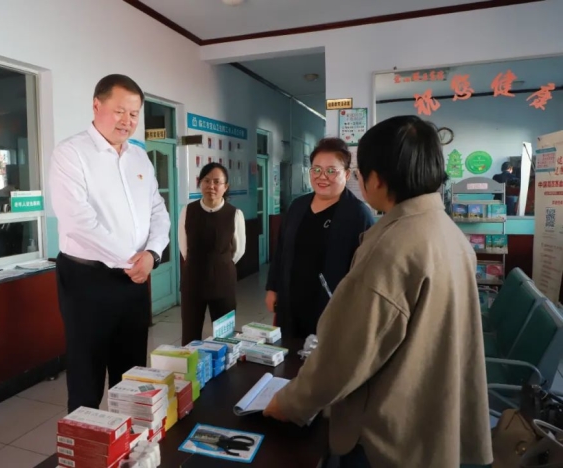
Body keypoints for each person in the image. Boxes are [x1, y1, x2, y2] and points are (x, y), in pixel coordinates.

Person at [264, 115, 492, 468]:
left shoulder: (392, 245)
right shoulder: (448, 233)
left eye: (355, 173)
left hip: (387, 433)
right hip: (431, 418)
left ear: (377, 178)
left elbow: (347, 354)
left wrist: (289, 404)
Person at [49, 74, 170, 413]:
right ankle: (87, 441)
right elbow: (79, 221)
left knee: (131, 376)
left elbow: (158, 211)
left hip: (134, 280)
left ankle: (131, 441)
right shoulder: (71, 153)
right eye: (119, 111)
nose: (127, 121)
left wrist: (152, 254)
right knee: (86, 379)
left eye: (134, 114)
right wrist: (133, 259)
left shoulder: (139, 158)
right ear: (96, 105)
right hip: (86, 280)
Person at [265, 137, 374, 339]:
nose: (322, 176)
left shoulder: (358, 215)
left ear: (346, 174)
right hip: (291, 304)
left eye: (331, 171)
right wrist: (273, 288)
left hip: (333, 308)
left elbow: (367, 271)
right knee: (289, 352)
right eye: (316, 169)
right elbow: (281, 251)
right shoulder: (297, 207)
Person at [178, 162, 245, 344]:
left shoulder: (234, 214)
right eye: (206, 181)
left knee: (224, 338)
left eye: (217, 182)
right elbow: (184, 247)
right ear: (200, 183)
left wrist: (218, 263)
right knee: (190, 336)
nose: (211, 186)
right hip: (193, 282)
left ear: (225, 187)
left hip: (223, 282)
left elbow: (239, 250)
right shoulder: (188, 211)